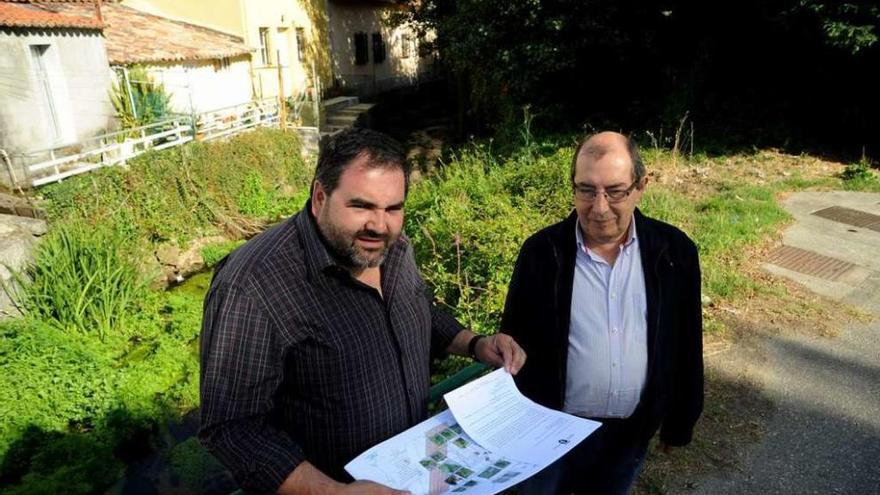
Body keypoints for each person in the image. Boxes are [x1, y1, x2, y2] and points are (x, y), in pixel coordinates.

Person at [199, 128, 526, 494]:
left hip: (414, 474)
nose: (379, 225)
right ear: (319, 197)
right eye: (361, 206)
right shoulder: (253, 284)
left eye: (393, 209)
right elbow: (231, 427)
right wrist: (333, 492)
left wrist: (476, 343)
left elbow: (418, 311)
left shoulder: (395, 248)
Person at [503, 131, 703, 495]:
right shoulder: (540, 252)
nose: (599, 207)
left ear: (641, 186)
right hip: (549, 435)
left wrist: (679, 422)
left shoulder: (675, 252)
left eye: (615, 191)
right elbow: (512, 344)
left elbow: (687, 342)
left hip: (630, 433)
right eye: (586, 190)